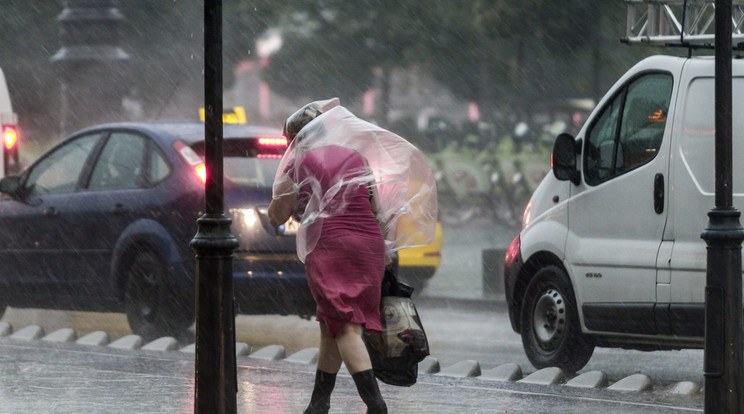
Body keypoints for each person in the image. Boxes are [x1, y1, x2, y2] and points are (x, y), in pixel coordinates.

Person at [269, 98, 437, 414]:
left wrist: (278, 203)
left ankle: (375, 404)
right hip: (369, 247)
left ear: (293, 139)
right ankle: (318, 403)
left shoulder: (296, 163)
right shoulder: (355, 157)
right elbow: (375, 208)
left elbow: (277, 215)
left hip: (332, 247)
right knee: (332, 325)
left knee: (346, 328)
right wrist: (384, 250)